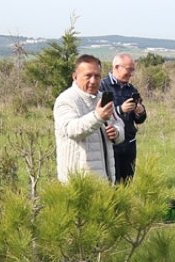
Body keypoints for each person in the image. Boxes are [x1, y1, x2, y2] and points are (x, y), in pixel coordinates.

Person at [54, 54, 125, 184]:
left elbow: (118, 123)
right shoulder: (66, 100)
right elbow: (72, 130)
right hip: (78, 184)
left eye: (97, 76)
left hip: (105, 180)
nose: (93, 81)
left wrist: (116, 132)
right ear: (75, 77)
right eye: (88, 76)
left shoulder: (102, 98)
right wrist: (98, 117)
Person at [99, 53, 147, 182]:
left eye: (133, 70)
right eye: (128, 69)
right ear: (117, 67)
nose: (131, 73)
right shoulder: (101, 87)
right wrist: (120, 110)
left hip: (129, 144)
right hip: (111, 145)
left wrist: (140, 111)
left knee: (127, 184)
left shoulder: (132, 89)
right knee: (110, 184)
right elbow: (99, 115)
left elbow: (140, 120)